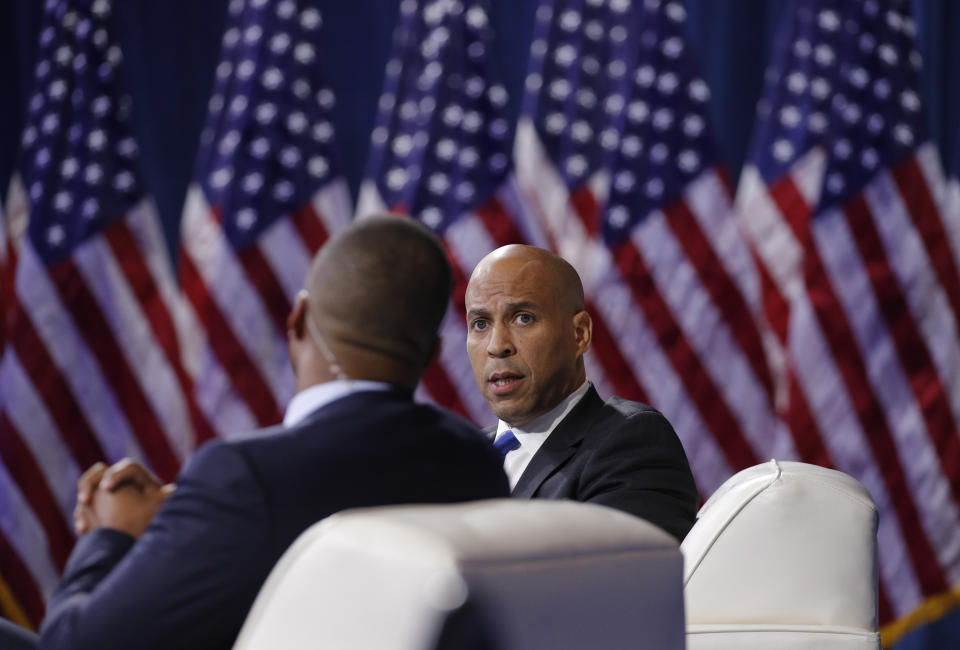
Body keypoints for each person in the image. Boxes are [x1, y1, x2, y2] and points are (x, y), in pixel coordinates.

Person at [40, 217, 509, 650]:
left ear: (298, 318)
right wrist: (183, 520)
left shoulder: (243, 478)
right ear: (431, 353)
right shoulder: (475, 459)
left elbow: (74, 643)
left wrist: (111, 534)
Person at [464, 244, 698, 541]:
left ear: (580, 334)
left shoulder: (629, 442)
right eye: (480, 323)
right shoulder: (460, 458)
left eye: (523, 317)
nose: (497, 345)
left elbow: (628, 582)